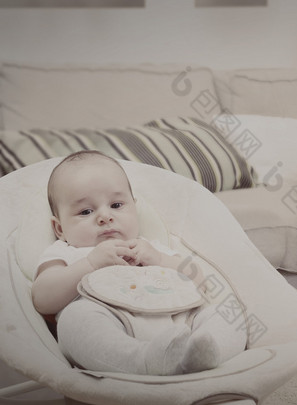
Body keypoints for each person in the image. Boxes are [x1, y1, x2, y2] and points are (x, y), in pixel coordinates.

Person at [31, 150, 247, 375]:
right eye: (85, 211)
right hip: (111, 323)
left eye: (116, 205)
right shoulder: (68, 252)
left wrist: (159, 259)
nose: (105, 217)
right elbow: (42, 298)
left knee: (225, 314)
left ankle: (206, 355)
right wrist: (90, 263)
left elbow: (198, 279)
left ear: (135, 208)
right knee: (74, 321)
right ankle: (143, 361)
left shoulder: (148, 247)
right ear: (59, 229)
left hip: (178, 322)